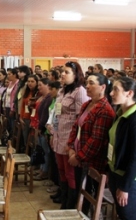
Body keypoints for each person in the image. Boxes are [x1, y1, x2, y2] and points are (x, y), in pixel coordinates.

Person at [67, 73, 115, 215]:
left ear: (103, 87)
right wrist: (71, 148)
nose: (87, 86)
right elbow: (76, 127)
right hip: (78, 156)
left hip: (91, 161)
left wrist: (79, 157)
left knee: (88, 197)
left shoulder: (105, 110)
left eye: (92, 83)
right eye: (87, 83)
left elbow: (96, 141)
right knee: (79, 192)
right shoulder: (87, 104)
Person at [51, 61, 89, 209]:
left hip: (70, 139)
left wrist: (74, 144)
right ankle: (64, 196)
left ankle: (70, 203)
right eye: (62, 71)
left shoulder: (79, 91)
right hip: (59, 135)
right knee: (61, 170)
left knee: (70, 173)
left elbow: (81, 120)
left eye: (66, 72)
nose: (62, 74)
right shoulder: (62, 90)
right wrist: (53, 133)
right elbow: (57, 112)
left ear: (76, 75)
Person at [108, 77, 136, 219]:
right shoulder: (120, 113)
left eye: (116, 90)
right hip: (115, 173)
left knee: (128, 215)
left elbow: (135, 158)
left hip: (128, 180)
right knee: (121, 213)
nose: (111, 93)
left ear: (129, 93)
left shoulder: (134, 118)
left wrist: (125, 187)